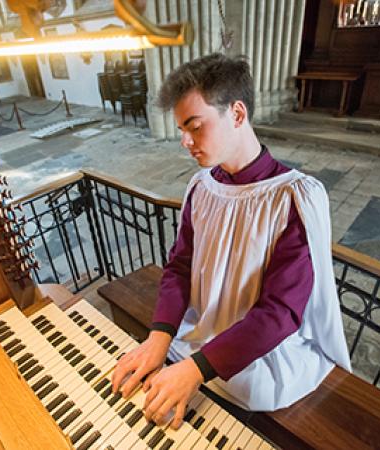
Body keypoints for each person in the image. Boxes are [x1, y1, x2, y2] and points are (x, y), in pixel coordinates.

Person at [111, 53, 351, 430]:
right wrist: (159, 336)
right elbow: (180, 268)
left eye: (194, 126)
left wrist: (195, 370)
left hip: (259, 355)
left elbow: (281, 311)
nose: (185, 142)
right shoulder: (201, 187)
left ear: (237, 114)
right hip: (196, 339)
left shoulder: (294, 198)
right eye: (180, 130)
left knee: (251, 394)